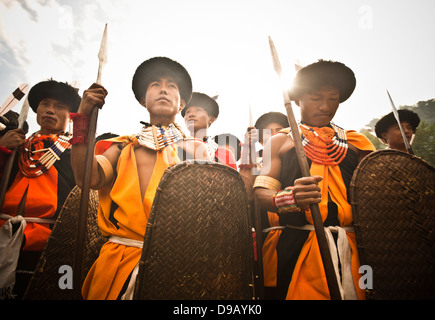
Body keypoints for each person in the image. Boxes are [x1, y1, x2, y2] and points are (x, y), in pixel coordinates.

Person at [70, 56, 210, 300]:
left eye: (172, 86)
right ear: (143, 100)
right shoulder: (122, 146)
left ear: (182, 104)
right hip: (118, 259)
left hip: (176, 264)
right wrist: (82, 118)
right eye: (155, 84)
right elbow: (87, 178)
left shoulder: (198, 150)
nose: (164, 89)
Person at [253, 60, 375, 300]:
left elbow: (376, 194)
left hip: (355, 248)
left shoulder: (357, 143)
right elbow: (260, 194)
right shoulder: (277, 142)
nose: (326, 106)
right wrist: (290, 198)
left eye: (333, 98)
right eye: (316, 98)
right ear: (297, 100)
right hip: (297, 244)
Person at [0, 80, 80, 299]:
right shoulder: (19, 145)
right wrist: (3, 147)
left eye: (60, 107)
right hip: (3, 232)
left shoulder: (75, 152)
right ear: (37, 110)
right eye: (45, 104)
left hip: (50, 240)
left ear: (70, 115)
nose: (50, 110)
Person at [182, 92, 237, 169]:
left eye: (198, 110)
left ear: (211, 119)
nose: (191, 114)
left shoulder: (225, 154)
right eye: (188, 112)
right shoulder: (176, 148)